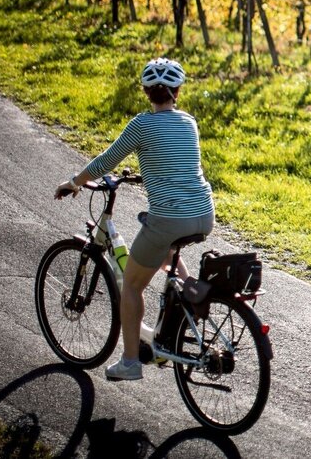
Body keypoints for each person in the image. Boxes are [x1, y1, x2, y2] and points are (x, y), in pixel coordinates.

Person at [53, 57, 215, 381]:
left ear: (145, 92)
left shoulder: (141, 125)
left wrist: (74, 182)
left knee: (131, 285)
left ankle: (130, 362)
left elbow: (105, 162)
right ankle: (182, 312)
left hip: (170, 219)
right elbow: (174, 162)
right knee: (167, 251)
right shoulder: (189, 122)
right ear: (177, 91)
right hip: (203, 214)